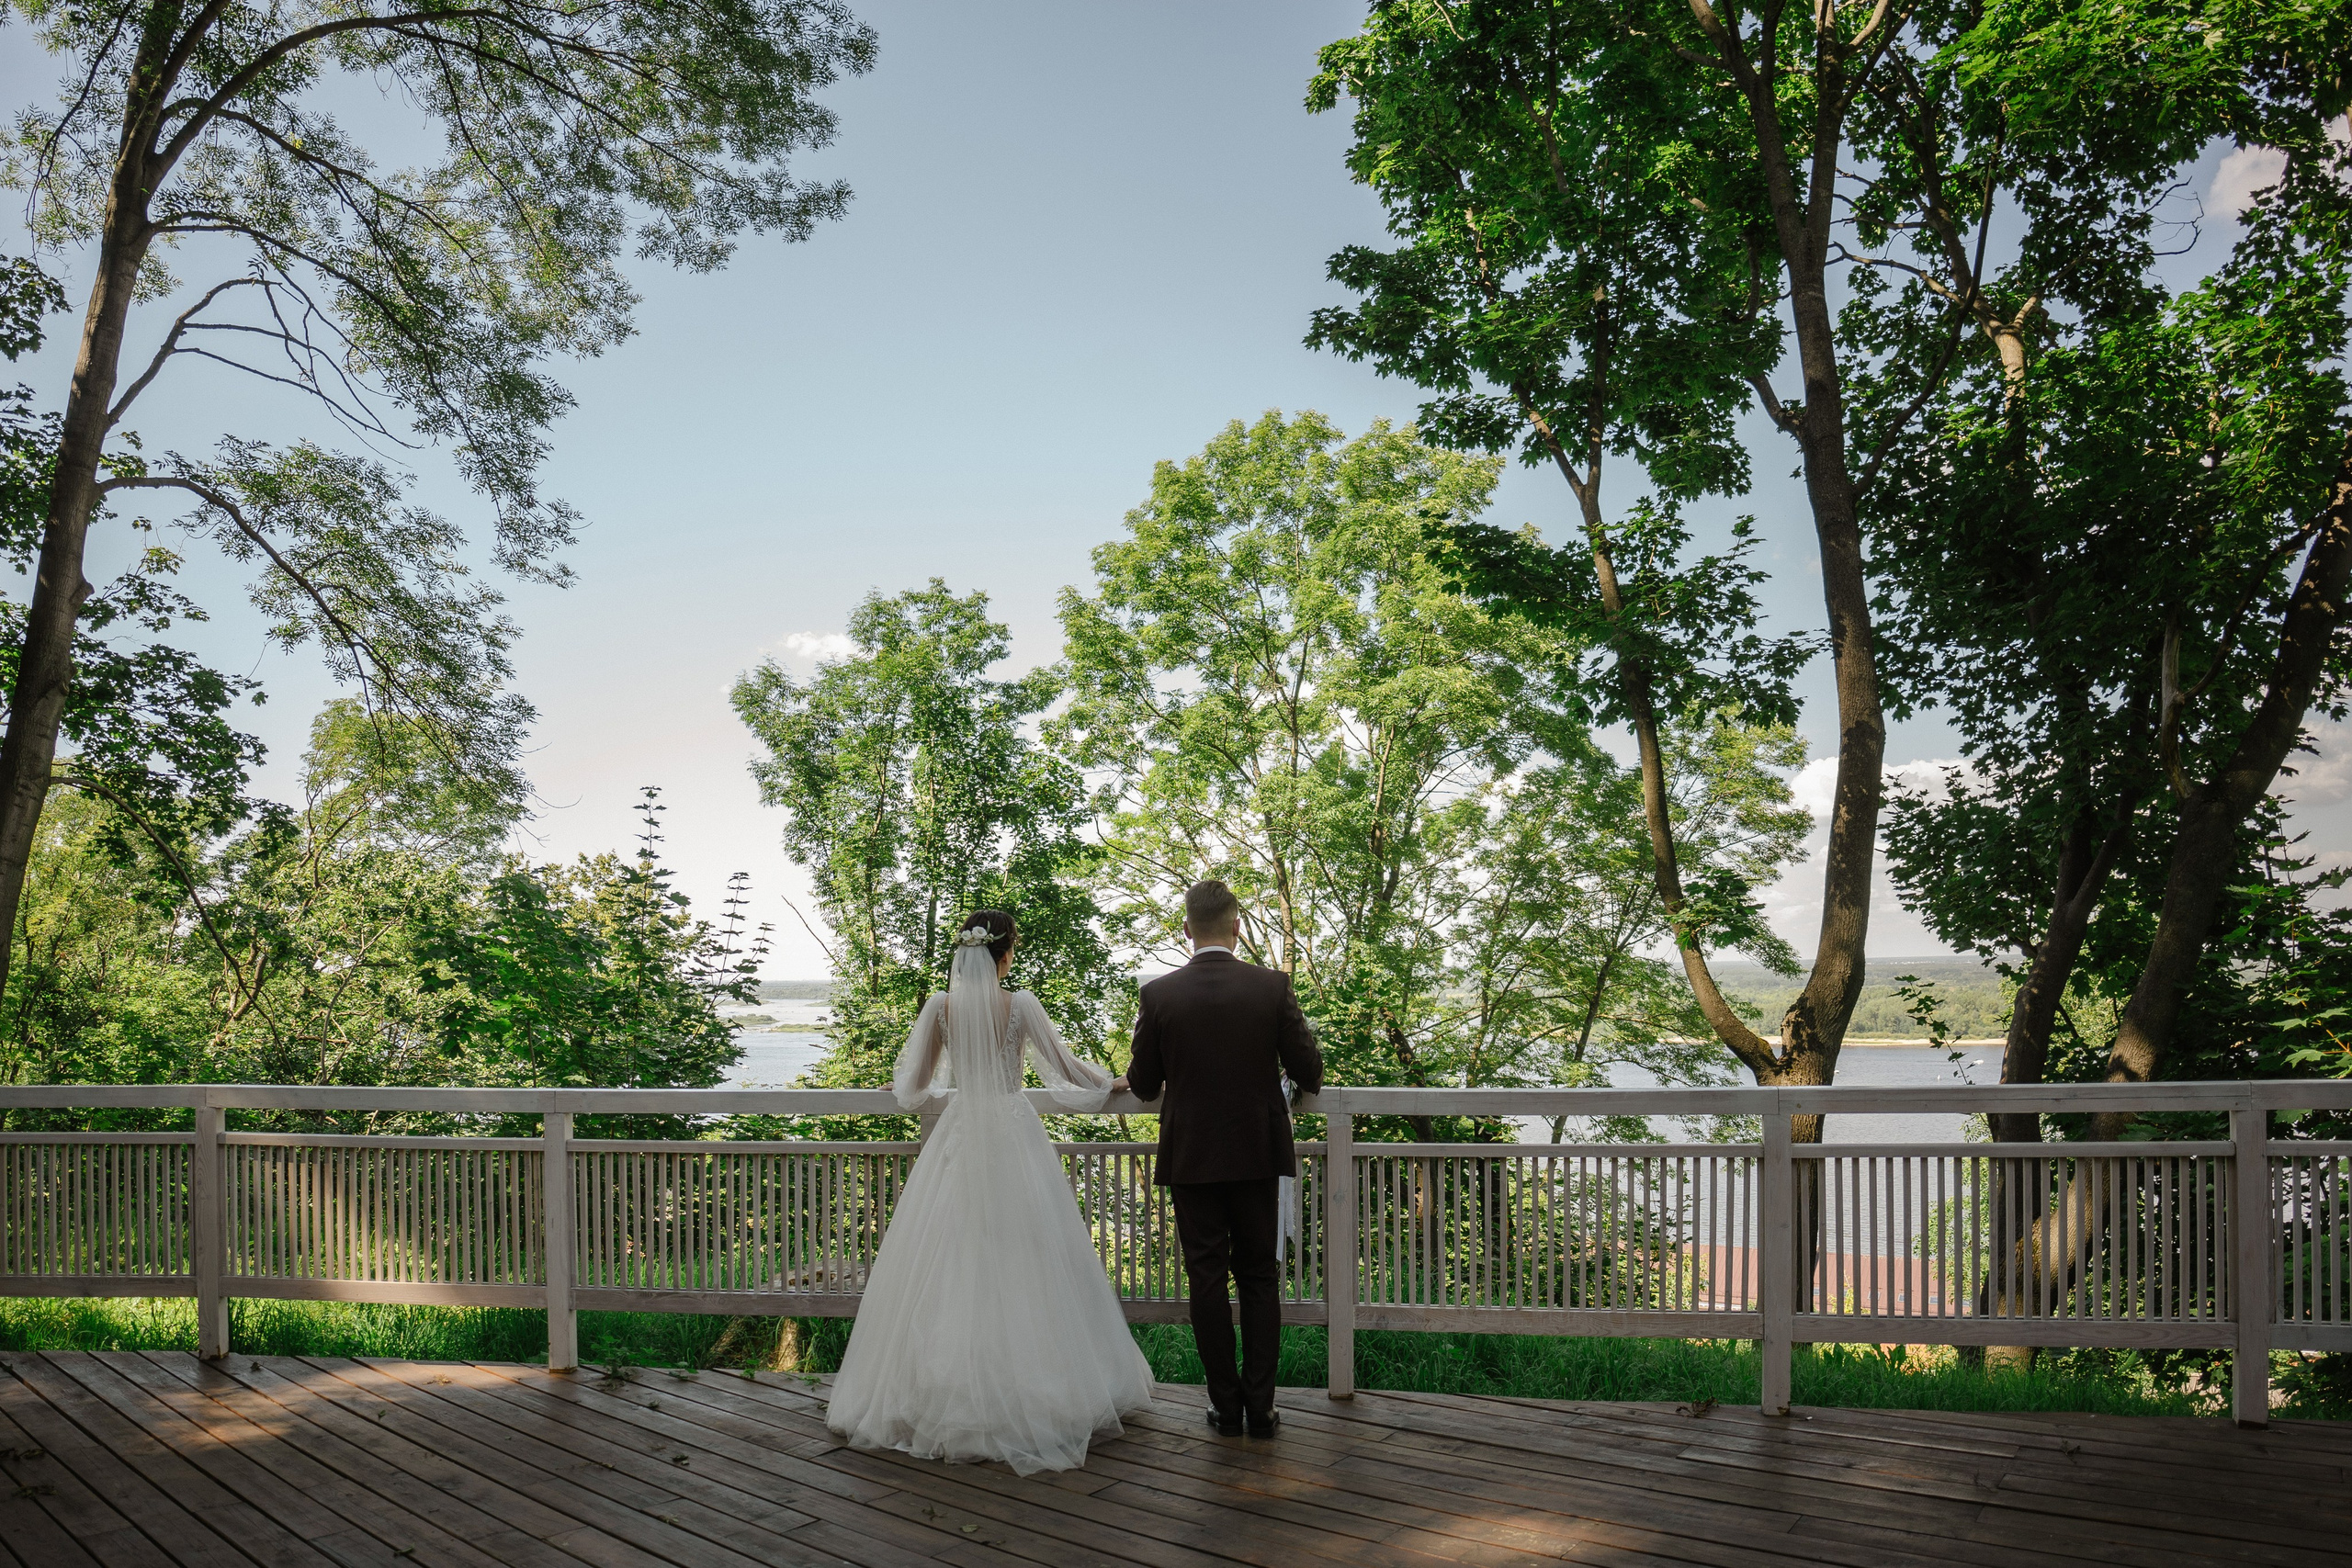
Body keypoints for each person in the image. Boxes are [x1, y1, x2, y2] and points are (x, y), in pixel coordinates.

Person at [824, 909, 1155, 1474]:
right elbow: (1064, 1067)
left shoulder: (938, 1007)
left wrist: (897, 1084)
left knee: (951, 1253)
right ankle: (1035, 1387)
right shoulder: (1021, 1006)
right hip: (1012, 1133)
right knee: (1027, 1254)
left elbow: (918, 1084)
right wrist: (1112, 1082)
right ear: (1003, 955)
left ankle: (943, 1390)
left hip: (961, 1129)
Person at [1119, 879, 1324, 1438]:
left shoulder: (1159, 995)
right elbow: (1310, 1073)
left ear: (1187, 929)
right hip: (1258, 1152)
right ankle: (1262, 1408)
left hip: (1192, 1156)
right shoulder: (1271, 988)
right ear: (1237, 927)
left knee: (1205, 1279)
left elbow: (1142, 1085)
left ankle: (1225, 1407)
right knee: (1260, 1277)